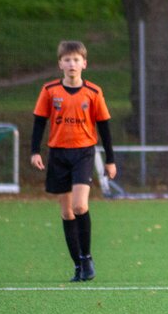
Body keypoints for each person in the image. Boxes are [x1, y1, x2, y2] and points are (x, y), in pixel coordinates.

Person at [30, 40, 117, 282]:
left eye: (76, 60)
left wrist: (110, 160)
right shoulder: (49, 91)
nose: (72, 64)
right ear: (60, 64)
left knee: (79, 206)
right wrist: (35, 151)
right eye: (67, 60)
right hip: (58, 154)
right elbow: (39, 122)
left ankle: (87, 258)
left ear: (84, 64)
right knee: (67, 213)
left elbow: (104, 126)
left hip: (83, 153)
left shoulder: (93, 92)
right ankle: (78, 265)